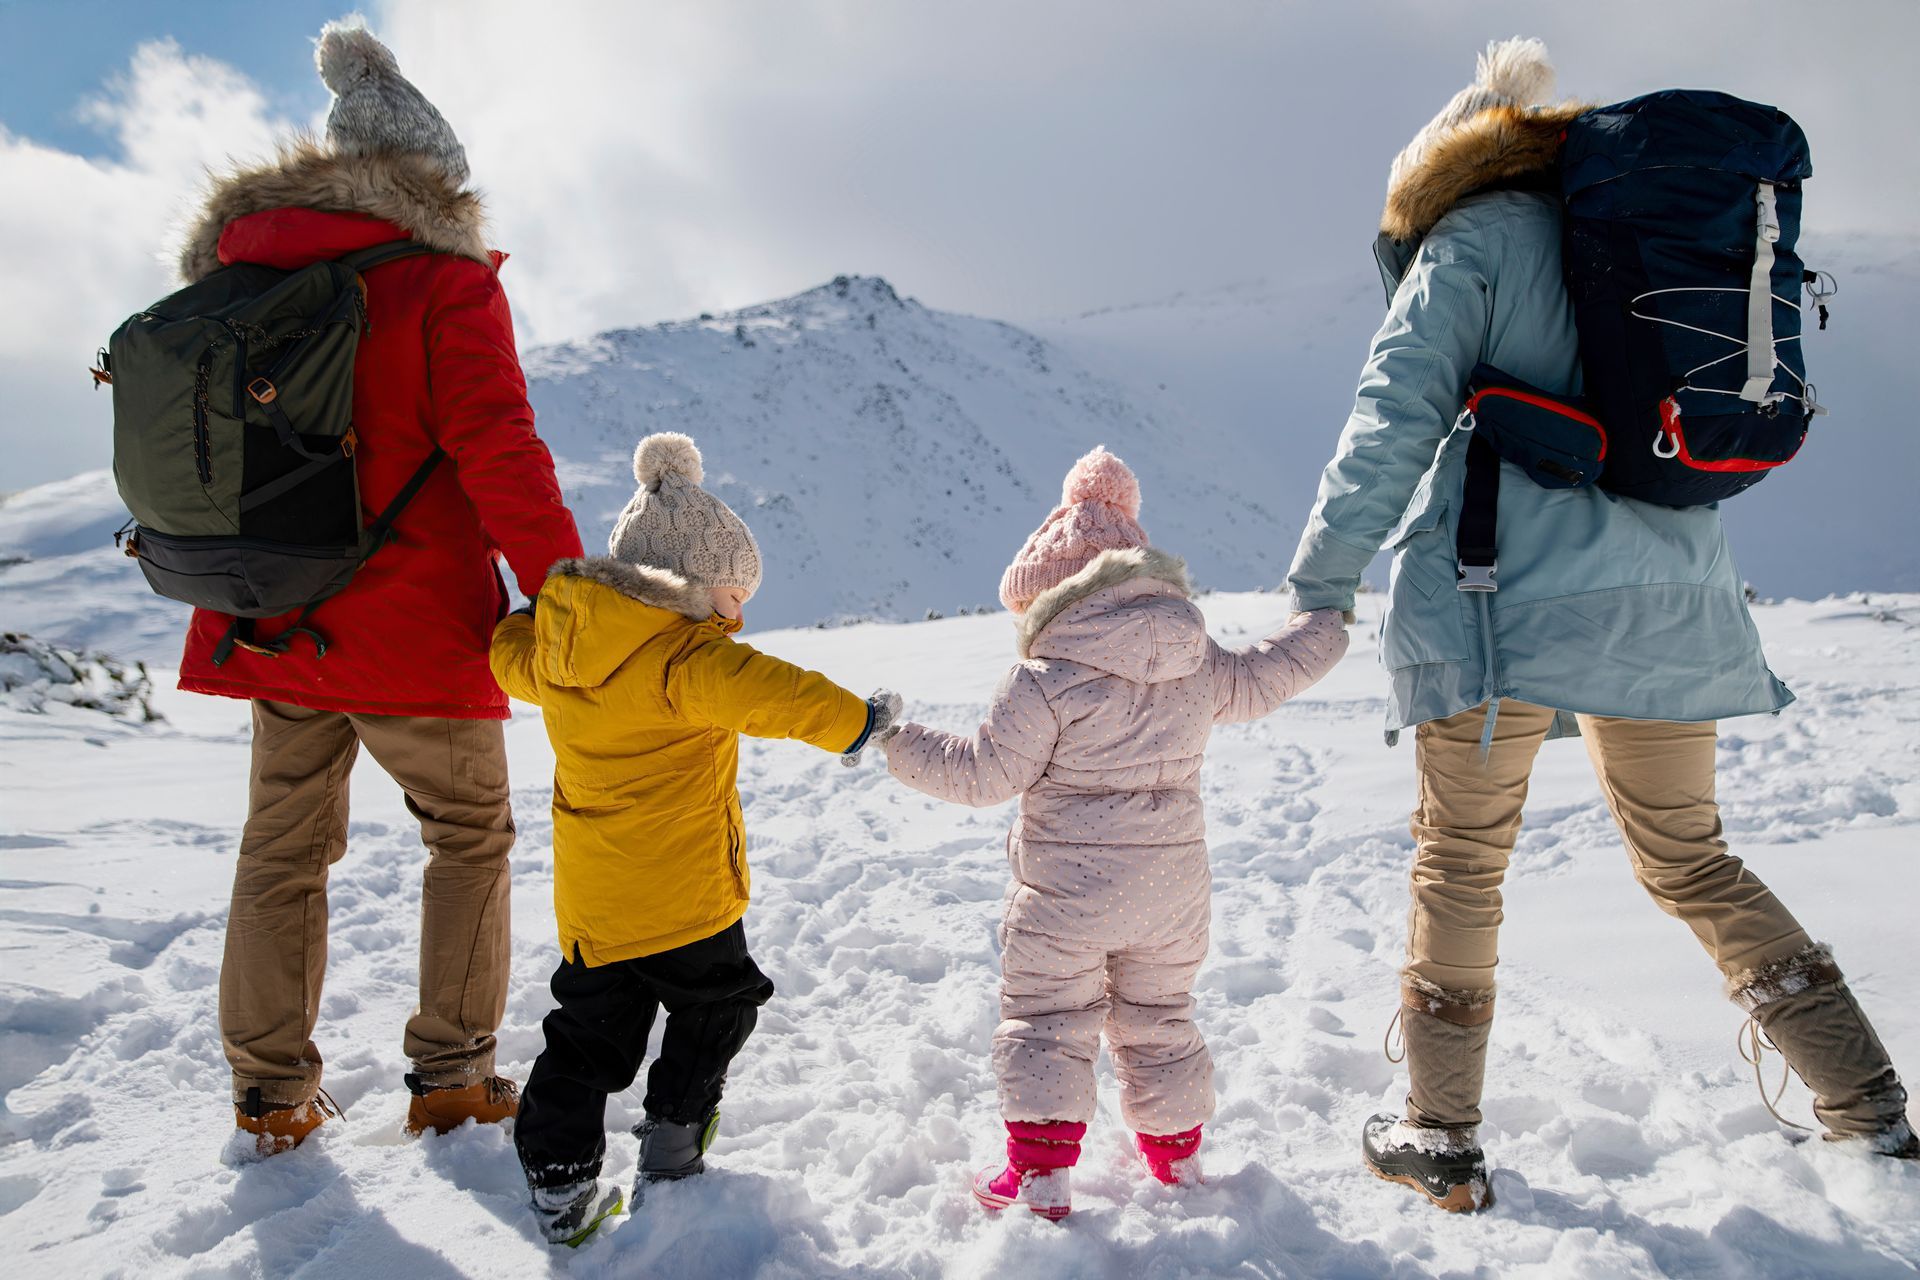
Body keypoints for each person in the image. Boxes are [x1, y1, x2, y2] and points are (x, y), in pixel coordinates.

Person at [1285, 38, 1916, 1212]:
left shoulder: (1469, 244)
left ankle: (1439, 1129)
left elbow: (1391, 418)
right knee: (1693, 856)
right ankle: (1870, 1106)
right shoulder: (1659, 245)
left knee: (1464, 860)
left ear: (1432, 184)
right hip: (1674, 600)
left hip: (1497, 604)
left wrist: (1318, 582)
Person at [174, 19, 584, 1154]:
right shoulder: (441, 284)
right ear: (429, 178)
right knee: (467, 832)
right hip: (414, 626)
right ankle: (452, 1075)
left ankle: (270, 1090)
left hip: (276, 611)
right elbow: (500, 451)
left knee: (281, 843)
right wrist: (567, 593)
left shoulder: (245, 280)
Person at [883, 446, 1349, 1220]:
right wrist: (1325, 628)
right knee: (1161, 1017)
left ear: (1050, 598)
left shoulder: (1044, 680)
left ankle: (1040, 1180)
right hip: (1171, 894)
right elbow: (1273, 672)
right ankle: (1177, 1165)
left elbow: (980, 775)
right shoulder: (1194, 660)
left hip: (1068, 897)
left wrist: (894, 743)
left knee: (1049, 1021)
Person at [491, 432, 898, 1245]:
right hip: (687, 900)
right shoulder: (686, 660)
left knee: (585, 1038)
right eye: (729, 595)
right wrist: (860, 723)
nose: (738, 615)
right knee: (719, 1008)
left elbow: (507, 655)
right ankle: (673, 1140)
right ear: (685, 591)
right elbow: (780, 693)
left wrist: (517, 624)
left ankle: (558, 1182)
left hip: (597, 906)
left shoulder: (559, 654)